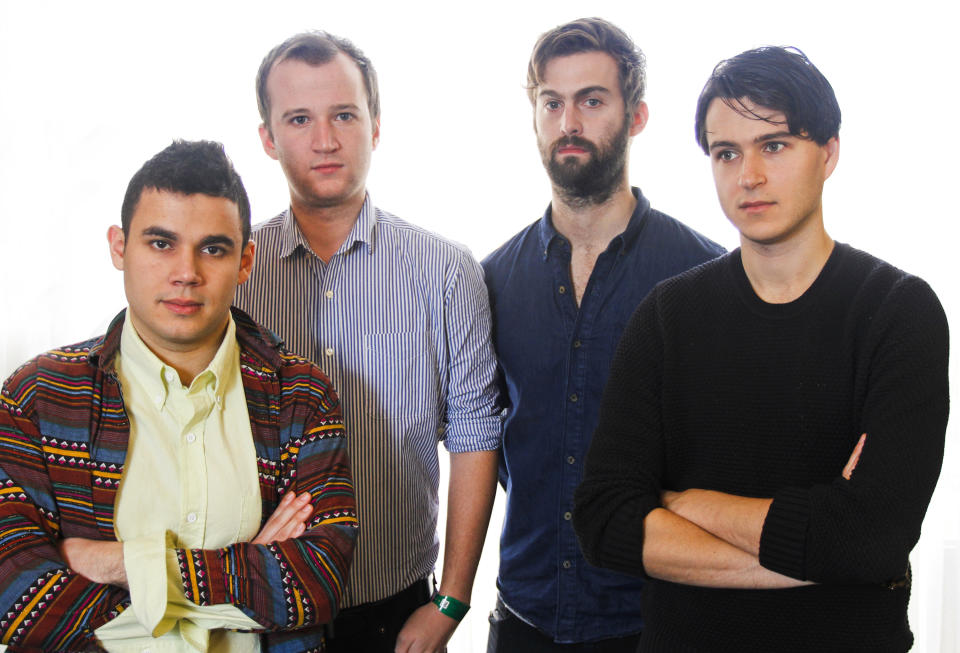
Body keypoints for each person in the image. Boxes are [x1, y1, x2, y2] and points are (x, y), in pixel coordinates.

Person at [574, 46, 950, 652]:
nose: (748, 175)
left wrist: (686, 503)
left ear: (827, 153)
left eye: (773, 145)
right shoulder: (667, 317)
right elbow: (603, 520)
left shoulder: (898, 312)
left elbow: (874, 536)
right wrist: (822, 555)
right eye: (727, 153)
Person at [0, 140, 357, 652]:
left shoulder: (300, 397)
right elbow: (16, 596)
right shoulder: (38, 396)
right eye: (160, 243)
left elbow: (316, 583)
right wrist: (246, 571)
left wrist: (117, 562)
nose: (186, 273)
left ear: (245, 261)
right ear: (119, 248)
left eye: (212, 248)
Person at [233, 31, 501, 653]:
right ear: (268, 138)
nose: (325, 140)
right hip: (262, 607)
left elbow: (475, 437)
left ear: (376, 125)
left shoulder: (444, 269)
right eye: (299, 119)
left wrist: (452, 603)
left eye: (344, 115)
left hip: (397, 609)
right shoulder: (235, 271)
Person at [482, 18, 724, 651]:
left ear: (637, 115)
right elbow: (489, 444)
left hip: (656, 624)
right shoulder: (490, 281)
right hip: (523, 620)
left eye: (592, 100)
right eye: (552, 103)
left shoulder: (706, 275)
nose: (570, 122)